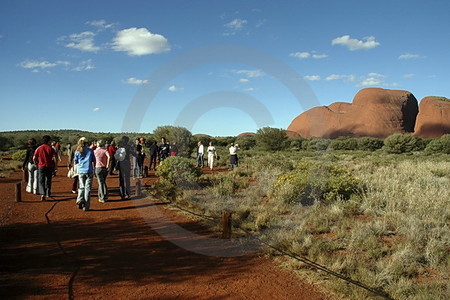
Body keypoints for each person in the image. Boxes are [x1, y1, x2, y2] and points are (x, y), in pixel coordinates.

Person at [74, 137, 96, 211]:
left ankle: (80, 199)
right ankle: (86, 206)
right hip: (89, 170)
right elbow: (93, 160)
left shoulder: (77, 151)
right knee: (88, 189)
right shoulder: (90, 151)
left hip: (81, 171)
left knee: (81, 186)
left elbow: (75, 161)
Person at [33, 135, 57, 201]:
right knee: (48, 180)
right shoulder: (51, 148)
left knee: (41, 180)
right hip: (49, 166)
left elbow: (34, 158)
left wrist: (36, 164)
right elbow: (55, 158)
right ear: (49, 141)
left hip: (41, 166)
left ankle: (42, 194)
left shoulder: (39, 148)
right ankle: (48, 193)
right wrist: (55, 166)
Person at [116, 136, 137, 200]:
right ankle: (128, 194)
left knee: (121, 180)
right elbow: (134, 154)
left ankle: (122, 195)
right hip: (127, 163)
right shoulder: (128, 147)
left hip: (120, 163)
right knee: (127, 179)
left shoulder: (119, 146)